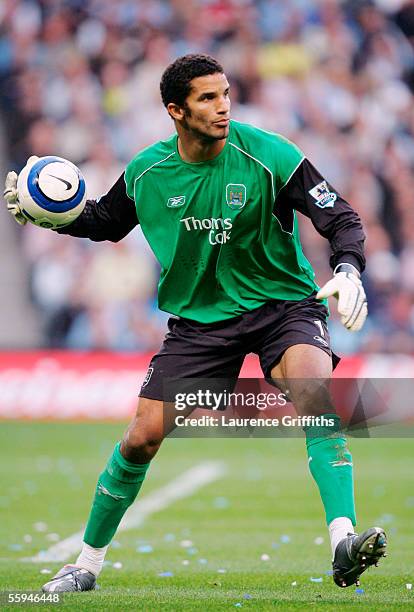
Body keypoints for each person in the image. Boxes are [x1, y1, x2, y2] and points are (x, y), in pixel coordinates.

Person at [4, 54, 387, 592]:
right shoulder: (148, 172)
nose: (223, 106)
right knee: (140, 439)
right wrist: (56, 217)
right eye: (207, 98)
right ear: (175, 110)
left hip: (284, 308)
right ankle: (84, 566)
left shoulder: (270, 154)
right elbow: (105, 222)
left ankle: (343, 541)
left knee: (314, 394)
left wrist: (348, 269)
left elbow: (340, 217)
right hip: (200, 325)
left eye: (225, 93)